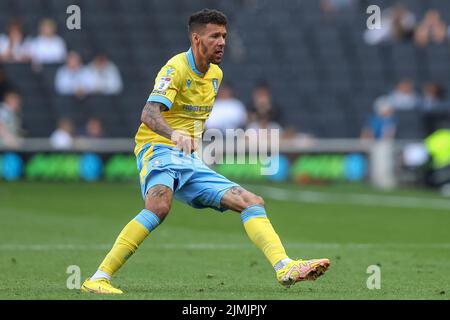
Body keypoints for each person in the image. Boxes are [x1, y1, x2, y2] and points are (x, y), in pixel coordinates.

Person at [81, 9, 330, 294]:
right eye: (215, 36)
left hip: (187, 159)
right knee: (159, 207)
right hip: (158, 149)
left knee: (251, 201)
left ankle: (284, 266)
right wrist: (175, 134)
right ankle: (99, 278)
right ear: (197, 39)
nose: (222, 42)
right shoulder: (175, 68)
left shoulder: (216, 75)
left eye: (224, 35)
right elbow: (149, 114)